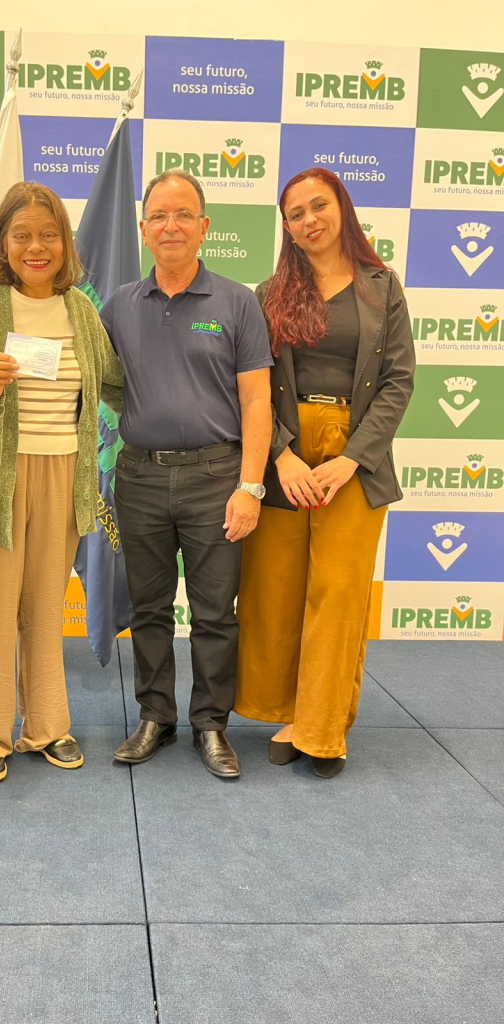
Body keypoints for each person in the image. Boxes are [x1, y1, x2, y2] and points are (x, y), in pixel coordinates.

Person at [0, 182, 124, 783]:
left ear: (65, 243)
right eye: (22, 235)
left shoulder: (81, 310)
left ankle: (46, 726)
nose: (36, 247)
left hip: (64, 475)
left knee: (45, 610)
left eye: (48, 235)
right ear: (2, 242)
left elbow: (115, 382)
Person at [234, 167, 415, 778]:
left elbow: (397, 381)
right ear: (285, 227)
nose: (309, 219)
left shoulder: (383, 288)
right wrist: (280, 455)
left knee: (337, 594)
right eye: (296, 213)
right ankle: (288, 711)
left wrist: (351, 458)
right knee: (276, 589)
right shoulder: (268, 294)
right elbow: (251, 386)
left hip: (354, 458)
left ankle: (322, 728)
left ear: (342, 207)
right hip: (282, 455)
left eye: (319, 205)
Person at [101, 169, 273, 779]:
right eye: (158, 215)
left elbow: (257, 401)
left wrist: (250, 486)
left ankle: (210, 724)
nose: (169, 225)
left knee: (214, 613)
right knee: (148, 608)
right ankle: (156, 716)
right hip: (139, 478)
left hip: (217, 478)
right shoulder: (118, 306)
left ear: (204, 227)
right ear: (143, 229)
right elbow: (93, 383)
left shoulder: (237, 301)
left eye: (182, 215)